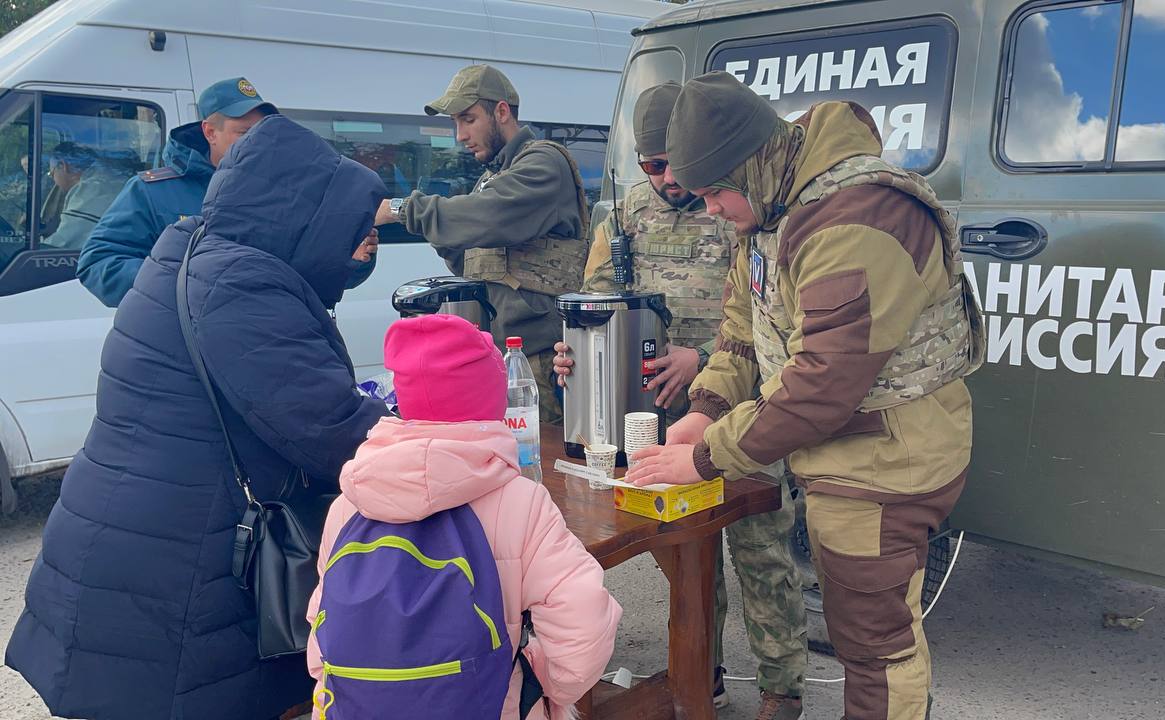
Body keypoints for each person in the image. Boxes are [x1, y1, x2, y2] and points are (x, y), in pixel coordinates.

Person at [5, 115, 391, 720]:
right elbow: (334, 434)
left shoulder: (190, 249)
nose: (350, 250)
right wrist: (432, 432)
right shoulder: (242, 286)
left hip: (122, 551)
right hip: (171, 584)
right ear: (304, 217)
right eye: (346, 232)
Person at [625, 72, 985, 720]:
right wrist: (704, 410)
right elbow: (743, 329)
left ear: (749, 164)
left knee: (875, 649)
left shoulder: (858, 218)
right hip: (848, 452)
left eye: (713, 193)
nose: (709, 209)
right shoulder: (770, 202)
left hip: (885, 462)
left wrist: (705, 457)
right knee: (864, 632)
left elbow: (823, 384)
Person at [552, 82, 807, 719]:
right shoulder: (628, 217)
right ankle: (702, 674)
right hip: (656, 418)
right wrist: (574, 357)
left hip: (738, 405)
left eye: (671, 163)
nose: (664, 178)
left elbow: (760, 316)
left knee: (761, 552)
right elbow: (596, 306)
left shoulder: (740, 201)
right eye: (649, 166)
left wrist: (698, 358)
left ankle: (783, 690)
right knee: (689, 556)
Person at [306, 313, 622, 720]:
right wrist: (543, 685)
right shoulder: (519, 501)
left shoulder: (351, 501)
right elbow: (584, 623)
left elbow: (323, 621)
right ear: (493, 402)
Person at [375, 64, 590, 424]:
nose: (460, 135)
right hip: (498, 360)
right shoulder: (494, 177)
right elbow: (470, 260)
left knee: (535, 467)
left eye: (468, 119)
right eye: (456, 123)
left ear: (501, 111)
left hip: (538, 365)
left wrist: (403, 210)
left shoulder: (544, 163)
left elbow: (488, 216)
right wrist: (450, 235)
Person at [76, 77, 377, 307]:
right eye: (245, 134)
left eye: (263, 134)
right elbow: (99, 262)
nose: (257, 144)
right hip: (190, 350)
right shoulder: (153, 191)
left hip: (271, 338)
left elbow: (316, 274)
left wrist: (354, 259)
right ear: (210, 132)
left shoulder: (288, 191)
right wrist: (186, 283)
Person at [41, 141, 132, 250]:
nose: (53, 179)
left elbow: (63, 243)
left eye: (52, 173)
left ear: (64, 166)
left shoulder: (91, 189)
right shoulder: (108, 179)